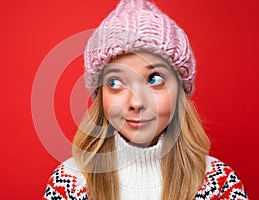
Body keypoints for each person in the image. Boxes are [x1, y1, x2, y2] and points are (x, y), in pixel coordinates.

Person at [43, 0, 248, 199]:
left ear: (180, 92)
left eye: (154, 79)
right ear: (101, 95)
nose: (136, 102)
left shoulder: (220, 186)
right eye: (115, 82)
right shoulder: (68, 184)